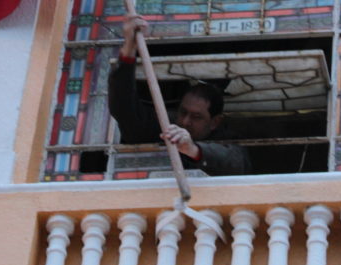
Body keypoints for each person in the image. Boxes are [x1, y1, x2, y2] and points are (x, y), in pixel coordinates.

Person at [108, 16, 251, 176]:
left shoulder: (226, 140)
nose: (185, 121)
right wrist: (129, 49)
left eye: (196, 117)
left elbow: (234, 163)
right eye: (183, 112)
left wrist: (192, 149)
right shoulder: (165, 127)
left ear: (214, 122)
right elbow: (124, 109)